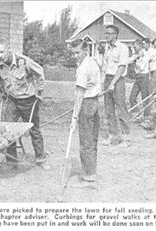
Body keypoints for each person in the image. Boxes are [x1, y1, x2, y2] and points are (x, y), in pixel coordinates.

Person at [0, 37, 48, 169]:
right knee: (8, 129)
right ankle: (12, 161)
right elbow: (0, 79)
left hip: (28, 100)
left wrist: (39, 92)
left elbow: (40, 72)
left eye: (1, 52)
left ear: (8, 49)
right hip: (12, 100)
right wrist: (3, 92)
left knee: (34, 130)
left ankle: (41, 159)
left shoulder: (23, 61)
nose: (0, 56)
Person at [68, 39, 102, 188]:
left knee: (86, 142)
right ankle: (91, 173)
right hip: (95, 103)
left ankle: (88, 178)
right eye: (73, 53)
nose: (75, 56)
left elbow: (79, 95)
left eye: (77, 53)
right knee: (92, 140)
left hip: (87, 104)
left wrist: (74, 117)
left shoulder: (82, 68)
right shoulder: (93, 62)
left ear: (85, 51)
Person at [99, 25, 130, 147]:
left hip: (118, 80)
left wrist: (113, 83)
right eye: (106, 33)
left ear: (116, 35)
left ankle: (126, 139)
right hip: (108, 79)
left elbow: (122, 67)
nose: (107, 36)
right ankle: (112, 136)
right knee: (109, 110)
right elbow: (105, 67)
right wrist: (103, 83)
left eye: (110, 33)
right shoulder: (108, 49)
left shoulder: (123, 48)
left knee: (121, 108)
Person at [128, 39, 151, 125]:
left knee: (145, 98)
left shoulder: (145, 54)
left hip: (144, 77)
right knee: (132, 97)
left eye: (135, 46)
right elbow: (128, 61)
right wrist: (136, 58)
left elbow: (141, 67)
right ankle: (137, 115)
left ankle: (147, 118)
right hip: (138, 78)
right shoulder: (137, 55)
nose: (134, 48)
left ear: (139, 46)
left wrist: (135, 61)